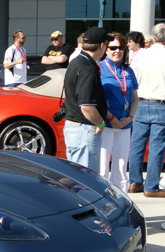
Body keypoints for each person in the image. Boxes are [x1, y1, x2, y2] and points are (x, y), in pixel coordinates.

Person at [127, 23, 165, 197]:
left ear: (152, 37)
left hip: (141, 101)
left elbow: (133, 78)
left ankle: (135, 182)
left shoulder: (141, 55)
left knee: (137, 144)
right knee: (157, 146)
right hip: (161, 103)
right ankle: (151, 186)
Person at [63, 26, 112, 172]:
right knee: (85, 181)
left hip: (74, 128)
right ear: (102, 45)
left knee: (76, 178)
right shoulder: (87, 68)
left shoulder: (76, 61)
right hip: (84, 130)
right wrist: (101, 123)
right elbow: (86, 106)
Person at [98, 32, 139, 193]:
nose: (117, 51)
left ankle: (122, 201)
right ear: (105, 49)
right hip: (106, 124)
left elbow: (135, 98)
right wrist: (112, 118)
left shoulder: (128, 71)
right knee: (102, 168)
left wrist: (130, 117)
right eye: (113, 47)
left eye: (121, 47)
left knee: (121, 167)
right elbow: (96, 99)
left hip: (125, 124)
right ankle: (102, 203)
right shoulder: (99, 69)